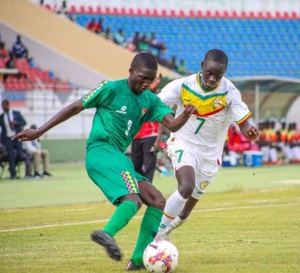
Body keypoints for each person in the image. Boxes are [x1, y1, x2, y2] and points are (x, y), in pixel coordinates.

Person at [12, 52, 197, 271]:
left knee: (157, 201)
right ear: (130, 72)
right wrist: (39, 131)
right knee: (133, 199)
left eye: (151, 79)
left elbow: (172, 124)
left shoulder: (150, 100)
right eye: (142, 78)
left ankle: (137, 261)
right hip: (100, 151)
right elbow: (75, 107)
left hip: (117, 157)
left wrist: (185, 114)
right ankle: (106, 234)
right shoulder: (110, 89)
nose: (146, 83)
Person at [152, 49, 259, 240]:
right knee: (185, 186)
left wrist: (250, 132)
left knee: (184, 214)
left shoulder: (230, 92)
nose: (212, 79)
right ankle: (157, 238)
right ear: (202, 66)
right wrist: (151, 97)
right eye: (209, 72)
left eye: (218, 75)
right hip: (183, 144)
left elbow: (244, 125)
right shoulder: (182, 85)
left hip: (210, 156)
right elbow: (156, 105)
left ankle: (167, 232)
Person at [0, 99, 27, 179]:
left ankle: (13, 168)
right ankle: (13, 174)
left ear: (8, 105)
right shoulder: (1, 117)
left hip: (17, 137)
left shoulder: (16, 114)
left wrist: (16, 123)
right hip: (8, 138)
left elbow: (24, 122)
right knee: (11, 156)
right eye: (2, 106)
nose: (4, 108)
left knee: (20, 154)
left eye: (5, 106)